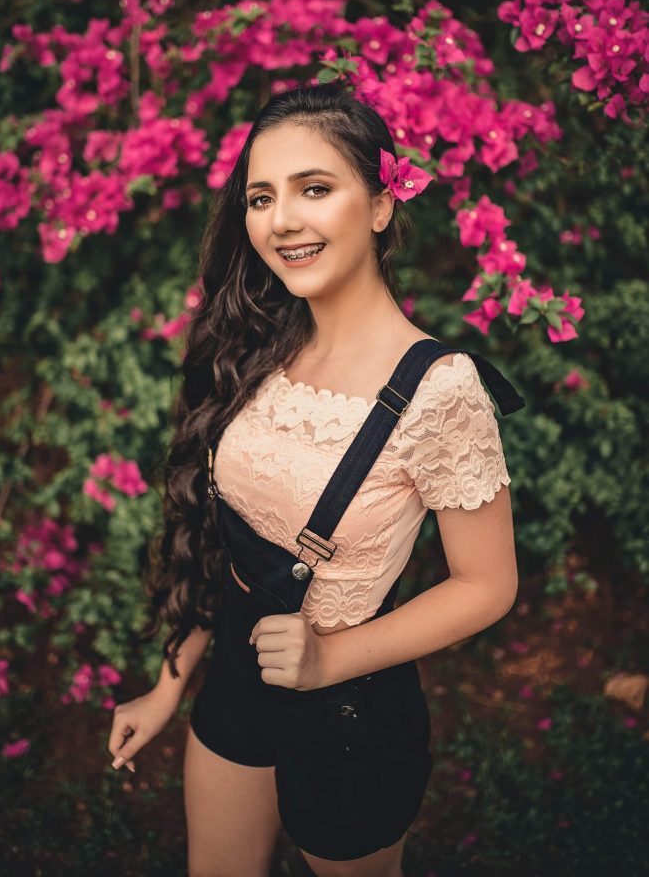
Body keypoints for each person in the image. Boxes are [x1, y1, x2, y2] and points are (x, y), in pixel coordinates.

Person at [107, 80, 523, 877]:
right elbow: (227, 546)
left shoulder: (441, 390)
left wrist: (329, 661)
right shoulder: (258, 348)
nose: (283, 219)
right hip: (234, 682)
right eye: (261, 197)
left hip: (349, 711)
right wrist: (170, 683)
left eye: (315, 189)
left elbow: (488, 584)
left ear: (378, 204)